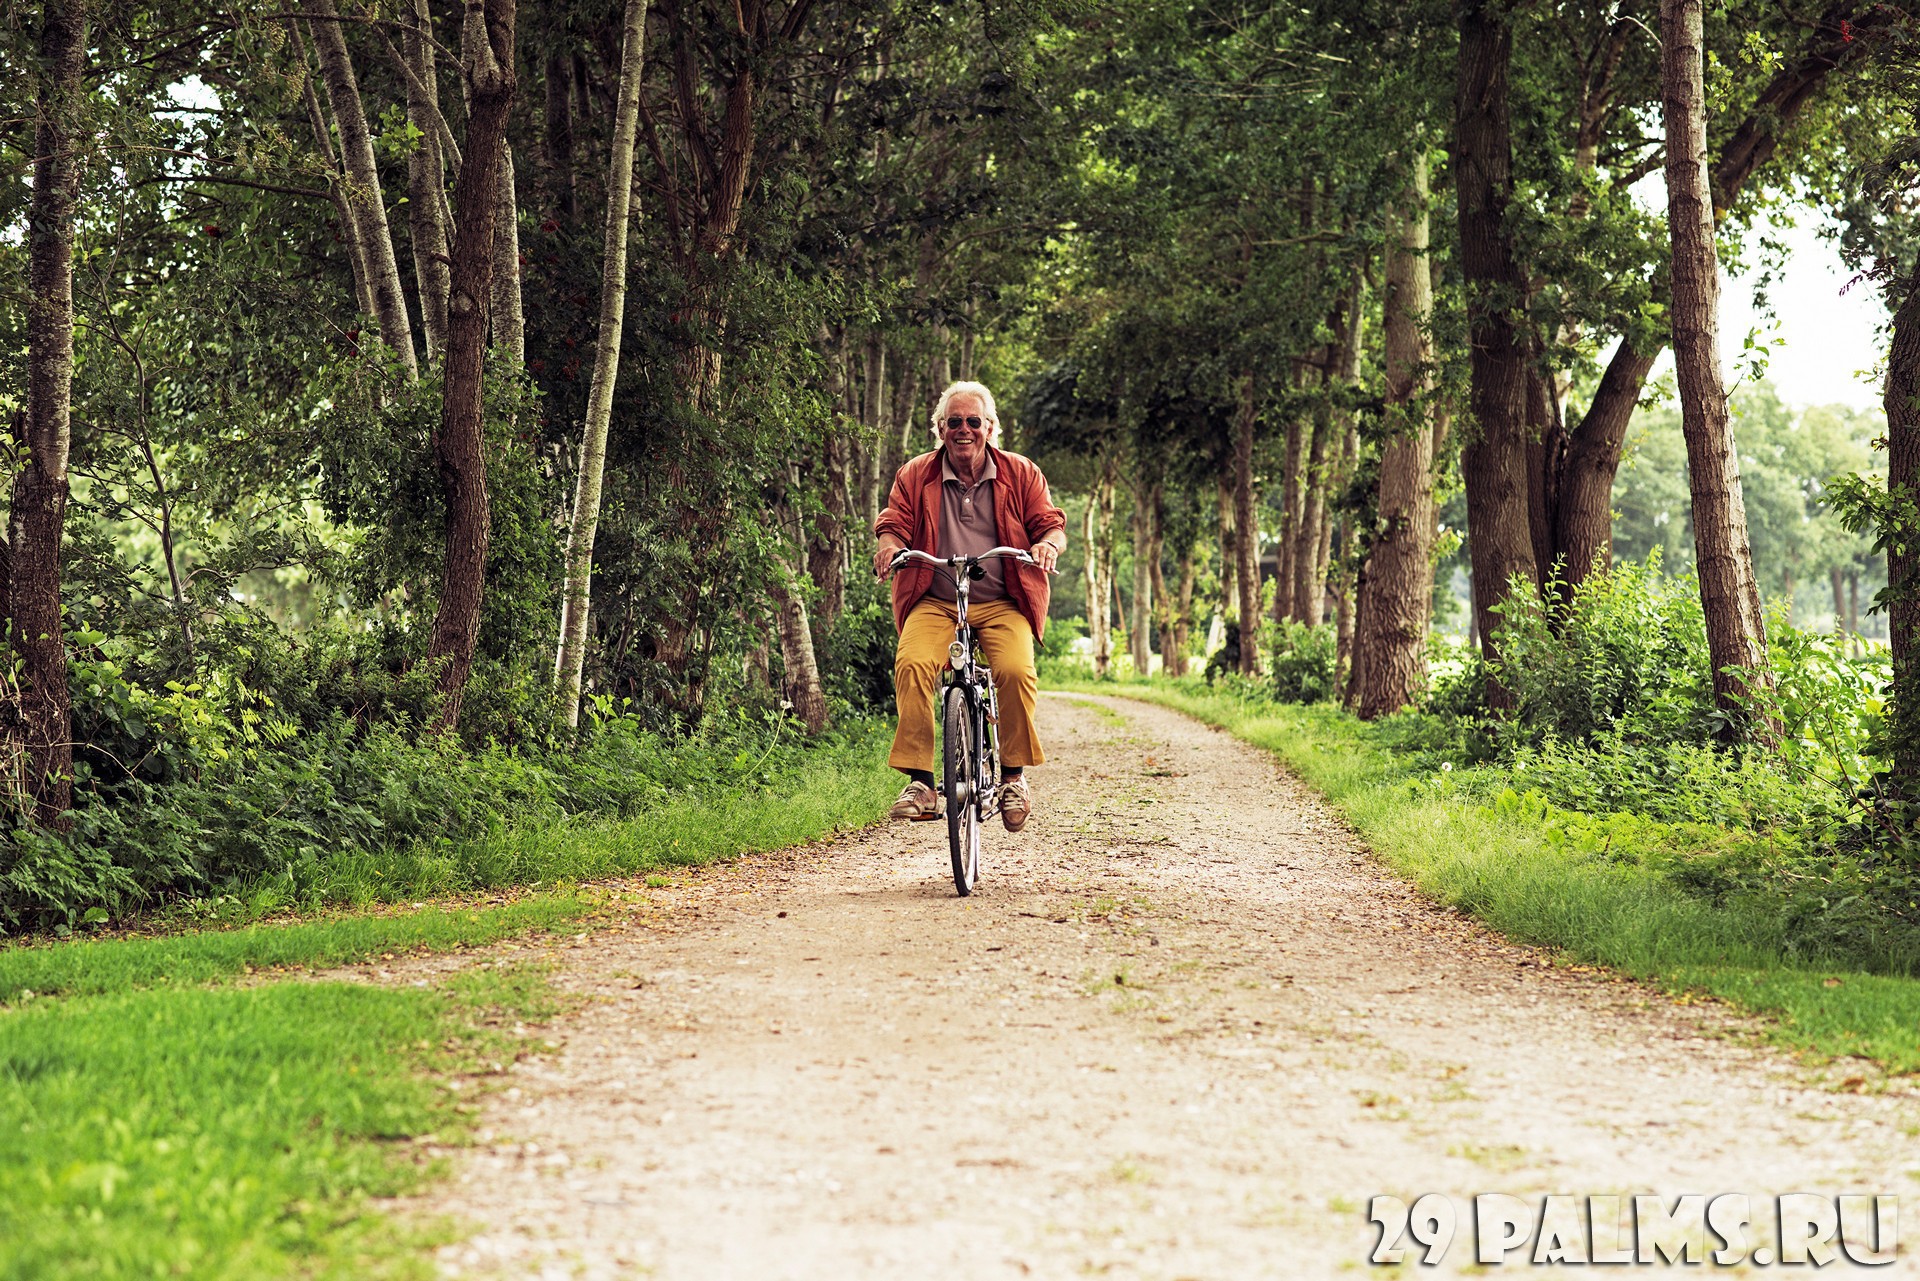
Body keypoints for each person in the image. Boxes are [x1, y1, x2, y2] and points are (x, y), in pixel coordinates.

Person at [873, 381, 1066, 832]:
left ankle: (1013, 778)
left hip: (1002, 599)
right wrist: (889, 546)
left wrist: (1046, 545)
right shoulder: (915, 474)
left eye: (973, 421)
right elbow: (894, 522)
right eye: (954, 421)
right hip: (937, 597)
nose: (964, 429)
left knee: (1015, 671)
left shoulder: (1021, 472)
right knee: (912, 664)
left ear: (990, 427)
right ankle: (922, 785)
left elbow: (1051, 524)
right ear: (940, 429)